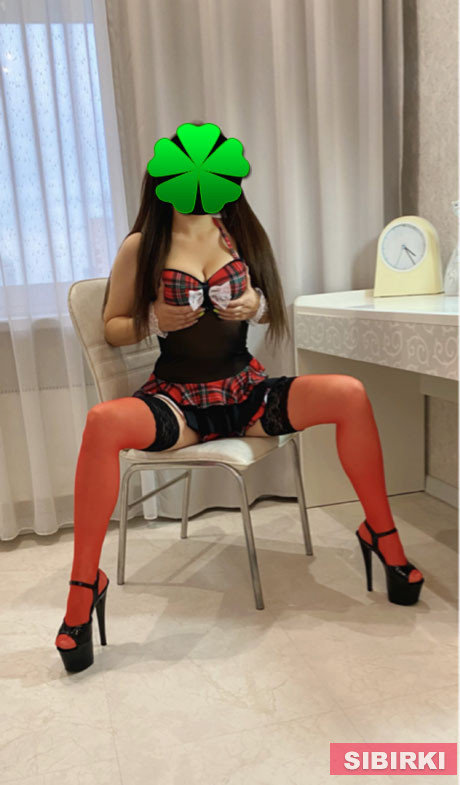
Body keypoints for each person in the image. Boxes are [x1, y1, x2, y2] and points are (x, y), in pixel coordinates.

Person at [55, 131, 424, 674]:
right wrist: (153, 318)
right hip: (178, 404)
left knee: (348, 393)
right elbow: (112, 327)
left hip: (246, 395)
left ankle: (382, 535)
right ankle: (84, 587)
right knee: (101, 422)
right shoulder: (142, 245)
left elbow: (271, 308)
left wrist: (255, 303)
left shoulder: (238, 232)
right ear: (168, 179)